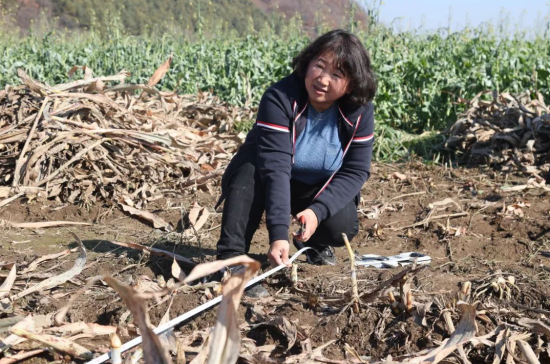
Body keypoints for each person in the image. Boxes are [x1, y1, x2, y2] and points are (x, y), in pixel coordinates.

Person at [215, 29, 377, 273]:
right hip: (268, 177)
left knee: (341, 225)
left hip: (313, 187)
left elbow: (355, 171)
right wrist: (278, 234)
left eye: (336, 74)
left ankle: (311, 242)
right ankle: (231, 257)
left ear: (352, 83)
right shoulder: (279, 98)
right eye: (319, 66)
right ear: (307, 61)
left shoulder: (360, 111)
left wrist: (316, 212)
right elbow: (276, 168)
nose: (322, 79)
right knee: (248, 171)